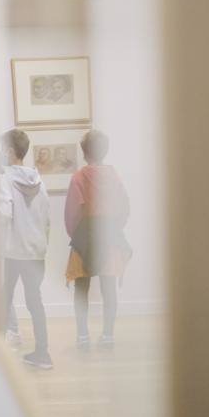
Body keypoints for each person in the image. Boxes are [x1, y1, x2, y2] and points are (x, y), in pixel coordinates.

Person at [64, 130, 131, 351]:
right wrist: (114, 227)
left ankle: (83, 336)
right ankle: (108, 334)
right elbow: (124, 207)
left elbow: (72, 211)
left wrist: (75, 234)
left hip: (85, 234)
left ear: (84, 153)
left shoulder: (79, 177)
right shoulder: (114, 176)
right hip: (109, 233)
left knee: (81, 288)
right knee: (109, 287)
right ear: (106, 150)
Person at [0, 129, 53, 369]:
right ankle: (43, 354)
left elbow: (3, 214)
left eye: (3, 149)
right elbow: (47, 219)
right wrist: (41, 244)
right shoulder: (39, 180)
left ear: (10, 151)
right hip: (36, 252)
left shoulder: (5, 179)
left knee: (4, 298)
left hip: (13, 251)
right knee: (35, 302)